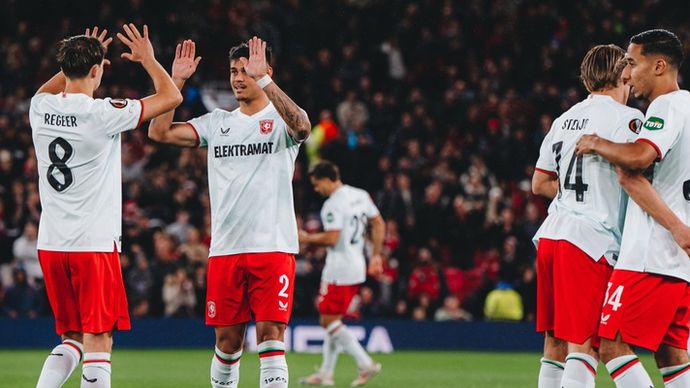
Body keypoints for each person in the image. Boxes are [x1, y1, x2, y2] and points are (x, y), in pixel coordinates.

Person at [148, 37, 310, 388]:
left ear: (266, 72)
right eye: (233, 71)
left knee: (270, 336)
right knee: (227, 344)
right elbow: (159, 132)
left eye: (245, 71)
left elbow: (302, 128)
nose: (237, 78)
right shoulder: (216, 123)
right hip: (226, 250)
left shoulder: (281, 121)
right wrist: (175, 82)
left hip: (272, 246)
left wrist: (264, 81)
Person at [29, 24, 182, 388]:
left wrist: (79, 57)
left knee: (71, 339)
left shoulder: (40, 107)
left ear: (64, 68)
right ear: (98, 71)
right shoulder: (103, 113)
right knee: (99, 340)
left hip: (51, 244)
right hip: (93, 245)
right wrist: (148, 59)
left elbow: (44, 89)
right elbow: (170, 96)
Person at [576, 29, 690, 388]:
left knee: (610, 342)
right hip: (678, 260)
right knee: (672, 356)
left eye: (632, 62)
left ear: (658, 65)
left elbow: (639, 158)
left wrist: (596, 142)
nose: (626, 73)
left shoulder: (666, 106)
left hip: (649, 254)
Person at [531, 44, 644, 388]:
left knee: (555, 343)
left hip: (551, 236)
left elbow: (539, 183)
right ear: (622, 76)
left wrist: (573, 198)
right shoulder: (628, 120)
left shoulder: (564, 119)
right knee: (588, 343)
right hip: (588, 241)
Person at [297, 161, 384, 386]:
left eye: (317, 184)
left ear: (327, 179)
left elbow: (331, 238)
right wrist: (376, 255)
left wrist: (307, 238)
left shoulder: (332, 205)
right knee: (332, 320)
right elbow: (378, 222)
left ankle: (365, 363)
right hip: (357, 265)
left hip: (339, 268)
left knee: (328, 321)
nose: (317, 189)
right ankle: (326, 373)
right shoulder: (360, 195)